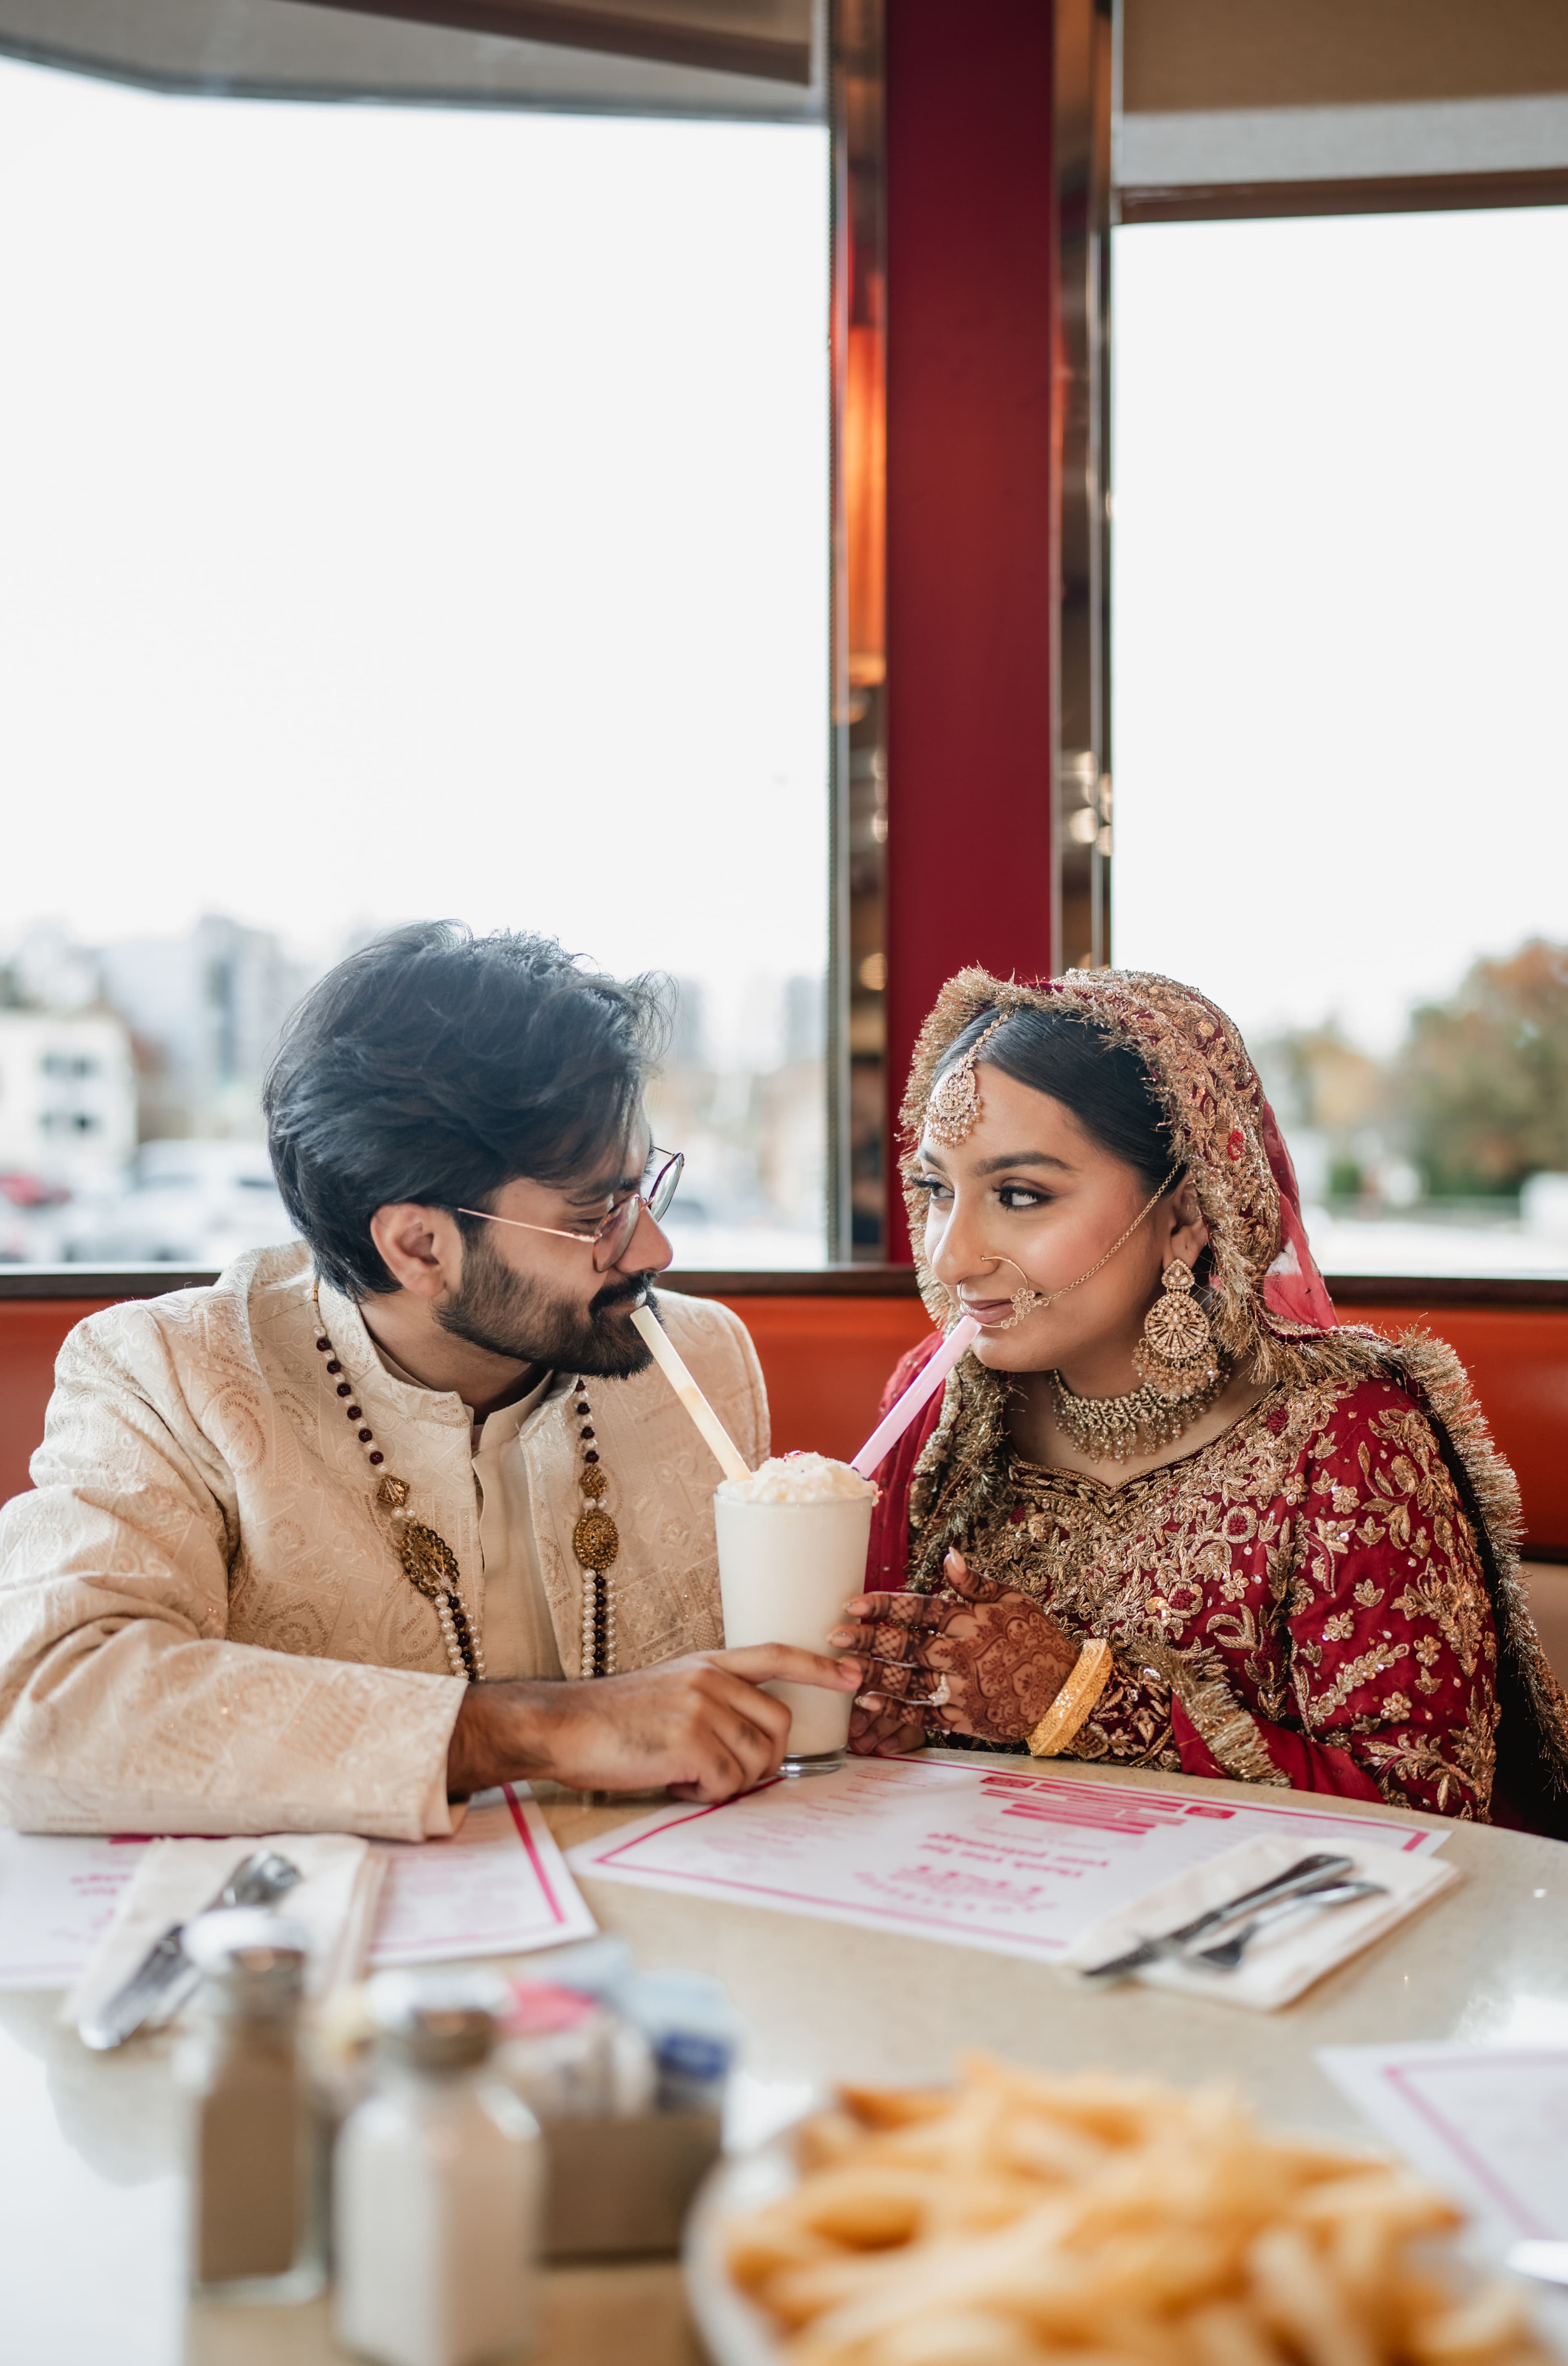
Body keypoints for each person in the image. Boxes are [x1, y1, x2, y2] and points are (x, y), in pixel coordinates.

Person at [0, 924, 855, 1838]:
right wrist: (533, 1730)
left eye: (643, 1190)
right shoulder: (169, 1374)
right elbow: (46, 1710)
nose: (653, 1249)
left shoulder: (703, 1355)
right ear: (417, 1244)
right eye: (597, 1214)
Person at [835, 966, 1568, 1831]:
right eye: (935, 1189)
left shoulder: (1346, 1441)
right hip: (969, 1902)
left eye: (1020, 1194)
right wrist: (885, 1705)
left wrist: (1082, 1696)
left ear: (1184, 1211)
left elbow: (1428, 1809)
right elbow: (876, 1706)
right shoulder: (939, 1407)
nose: (953, 1257)